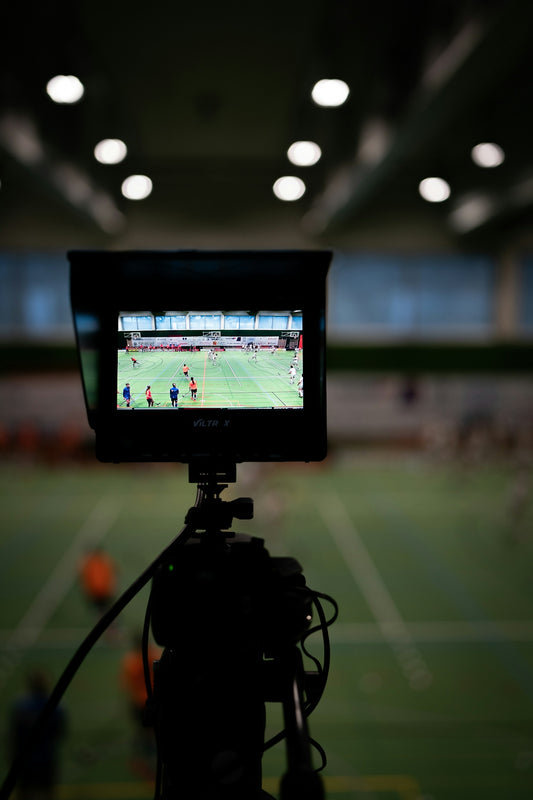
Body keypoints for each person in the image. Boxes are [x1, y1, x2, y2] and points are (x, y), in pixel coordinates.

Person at [9, 669, 66, 800]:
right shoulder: (57, 707)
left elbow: (14, 735)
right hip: (46, 757)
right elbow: (59, 732)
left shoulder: (20, 706)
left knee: (24, 792)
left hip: (25, 759)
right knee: (47, 792)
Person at [120, 632, 161, 780]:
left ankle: (147, 762)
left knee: (144, 732)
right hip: (153, 700)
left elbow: (126, 684)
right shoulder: (154, 655)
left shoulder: (130, 662)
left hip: (138, 702)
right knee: (154, 732)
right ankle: (151, 761)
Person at [79, 546, 117, 617]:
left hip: (105, 591)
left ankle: (113, 626)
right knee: (99, 612)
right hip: (95, 593)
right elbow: (84, 579)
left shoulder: (104, 561)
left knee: (108, 609)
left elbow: (112, 574)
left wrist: (112, 587)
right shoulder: (88, 564)